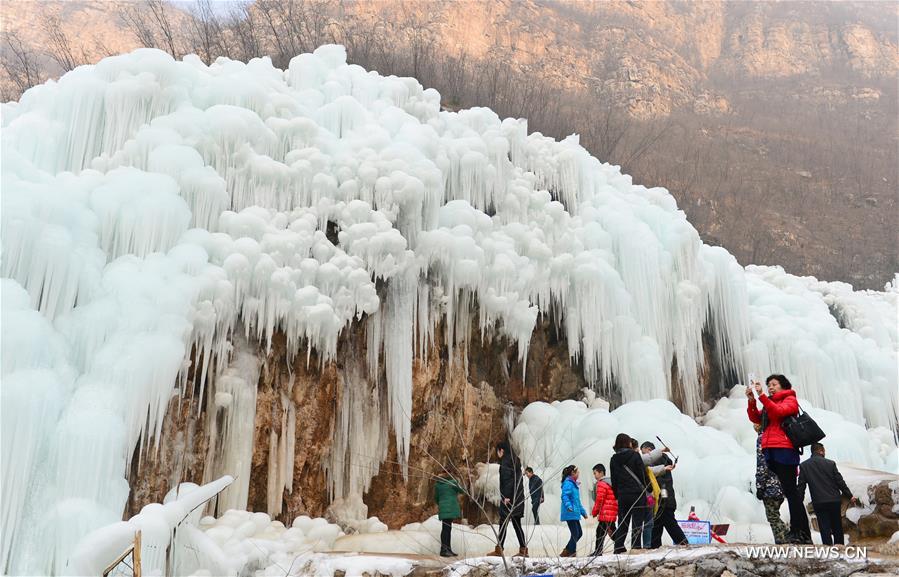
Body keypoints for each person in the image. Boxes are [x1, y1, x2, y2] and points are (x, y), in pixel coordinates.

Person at [746, 374, 811, 544]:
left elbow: (779, 412)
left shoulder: (790, 399)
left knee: (792, 493)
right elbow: (756, 418)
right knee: (791, 493)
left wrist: (761, 397)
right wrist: (752, 400)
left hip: (785, 451)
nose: (771, 387)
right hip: (772, 452)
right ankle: (801, 532)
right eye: (769, 385)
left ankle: (800, 532)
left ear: (784, 386)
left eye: (774, 384)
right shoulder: (770, 403)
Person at [797, 443, 859, 545]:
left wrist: (799, 501)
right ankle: (840, 549)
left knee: (824, 527)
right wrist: (849, 495)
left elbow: (801, 486)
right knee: (837, 526)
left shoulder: (804, 466)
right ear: (821, 451)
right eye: (824, 451)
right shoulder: (830, 463)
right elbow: (840, 482)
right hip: (834, 500)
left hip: (819, 501)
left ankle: (828, 550)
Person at [641, 444, 687, 548]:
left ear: (649, 450)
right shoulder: (664, 460)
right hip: (665, 499)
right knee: (657, 524)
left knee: (669, 523)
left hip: (663, 500)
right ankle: (654, 546)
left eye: (644, 453)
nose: (644, 456)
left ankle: (683, 543)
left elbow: (660, 483)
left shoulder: (656, 461)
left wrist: (661, 499)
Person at [610, 433, 648, 553]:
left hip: (622, 495)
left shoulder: (614, 459)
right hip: (637, 493)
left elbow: (614, 479)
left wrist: (616, 495)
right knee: (637, 521)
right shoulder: (635, 455)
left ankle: (618, 546)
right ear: (628, 443)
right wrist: (649, 488)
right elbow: (642, 473)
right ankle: (636, 546)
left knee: (623, 521)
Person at [753, 423, 788, 544]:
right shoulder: (777, 436)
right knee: (775, 514)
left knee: (772, 516)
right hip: (782, 484)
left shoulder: (762, 439)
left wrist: (760, 486)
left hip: (770, 487)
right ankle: (787, 537)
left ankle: (783, 540)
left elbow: (762, 464)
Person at [492, 441, 527, 557]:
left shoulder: (506, 462)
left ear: (501, 450)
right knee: (517, 524)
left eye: (497, 452)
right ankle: (523, 550)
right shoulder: (515, 461)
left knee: (503, 523)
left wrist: (506, 497)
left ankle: (499, 550)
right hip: (517, 498)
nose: (498, 454)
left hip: (509, 499)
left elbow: (508, 481)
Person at [638, 440, 668, 548]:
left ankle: (647, 545)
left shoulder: (653, 461)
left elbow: (651, 469)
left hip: (652, 496)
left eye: (642, 451)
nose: (642, 454)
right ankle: (648, 545)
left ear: (649, 450)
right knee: (650, 523)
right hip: (652, 496)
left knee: (648, 523)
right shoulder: (661, 460)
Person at [560, 465, 588, 557]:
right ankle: (572, 552)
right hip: (569, 512)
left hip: (574, 513)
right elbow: (564, 496)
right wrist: (568, 506)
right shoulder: (568, 483)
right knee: (575, 533)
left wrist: (583, 512)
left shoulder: (574, 484)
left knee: (579, 533)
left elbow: (577, 501)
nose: (579, 473)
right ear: (573, 473)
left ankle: (567, 550)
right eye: (577, 472)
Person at [434, 471, 464, 556]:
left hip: (443, 507)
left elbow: (436, 498)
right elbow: (462, 491)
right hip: (451, 507)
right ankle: (444, 550)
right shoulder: (453, 482)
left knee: (446, 528)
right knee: (447, 528)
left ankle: (447, 549)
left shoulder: (438, 484)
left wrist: (441, 504)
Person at [590, 464, 618, 556]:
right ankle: (620, 547)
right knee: (612, 531)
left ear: (601, 473)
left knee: (600, 532)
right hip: (611, 511)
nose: (594, 476)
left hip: (606, 512)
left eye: (595, 473)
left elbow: (599, 499)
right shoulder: (610, 482)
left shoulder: (602, 483)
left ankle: (598, 552)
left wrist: (595, 511)